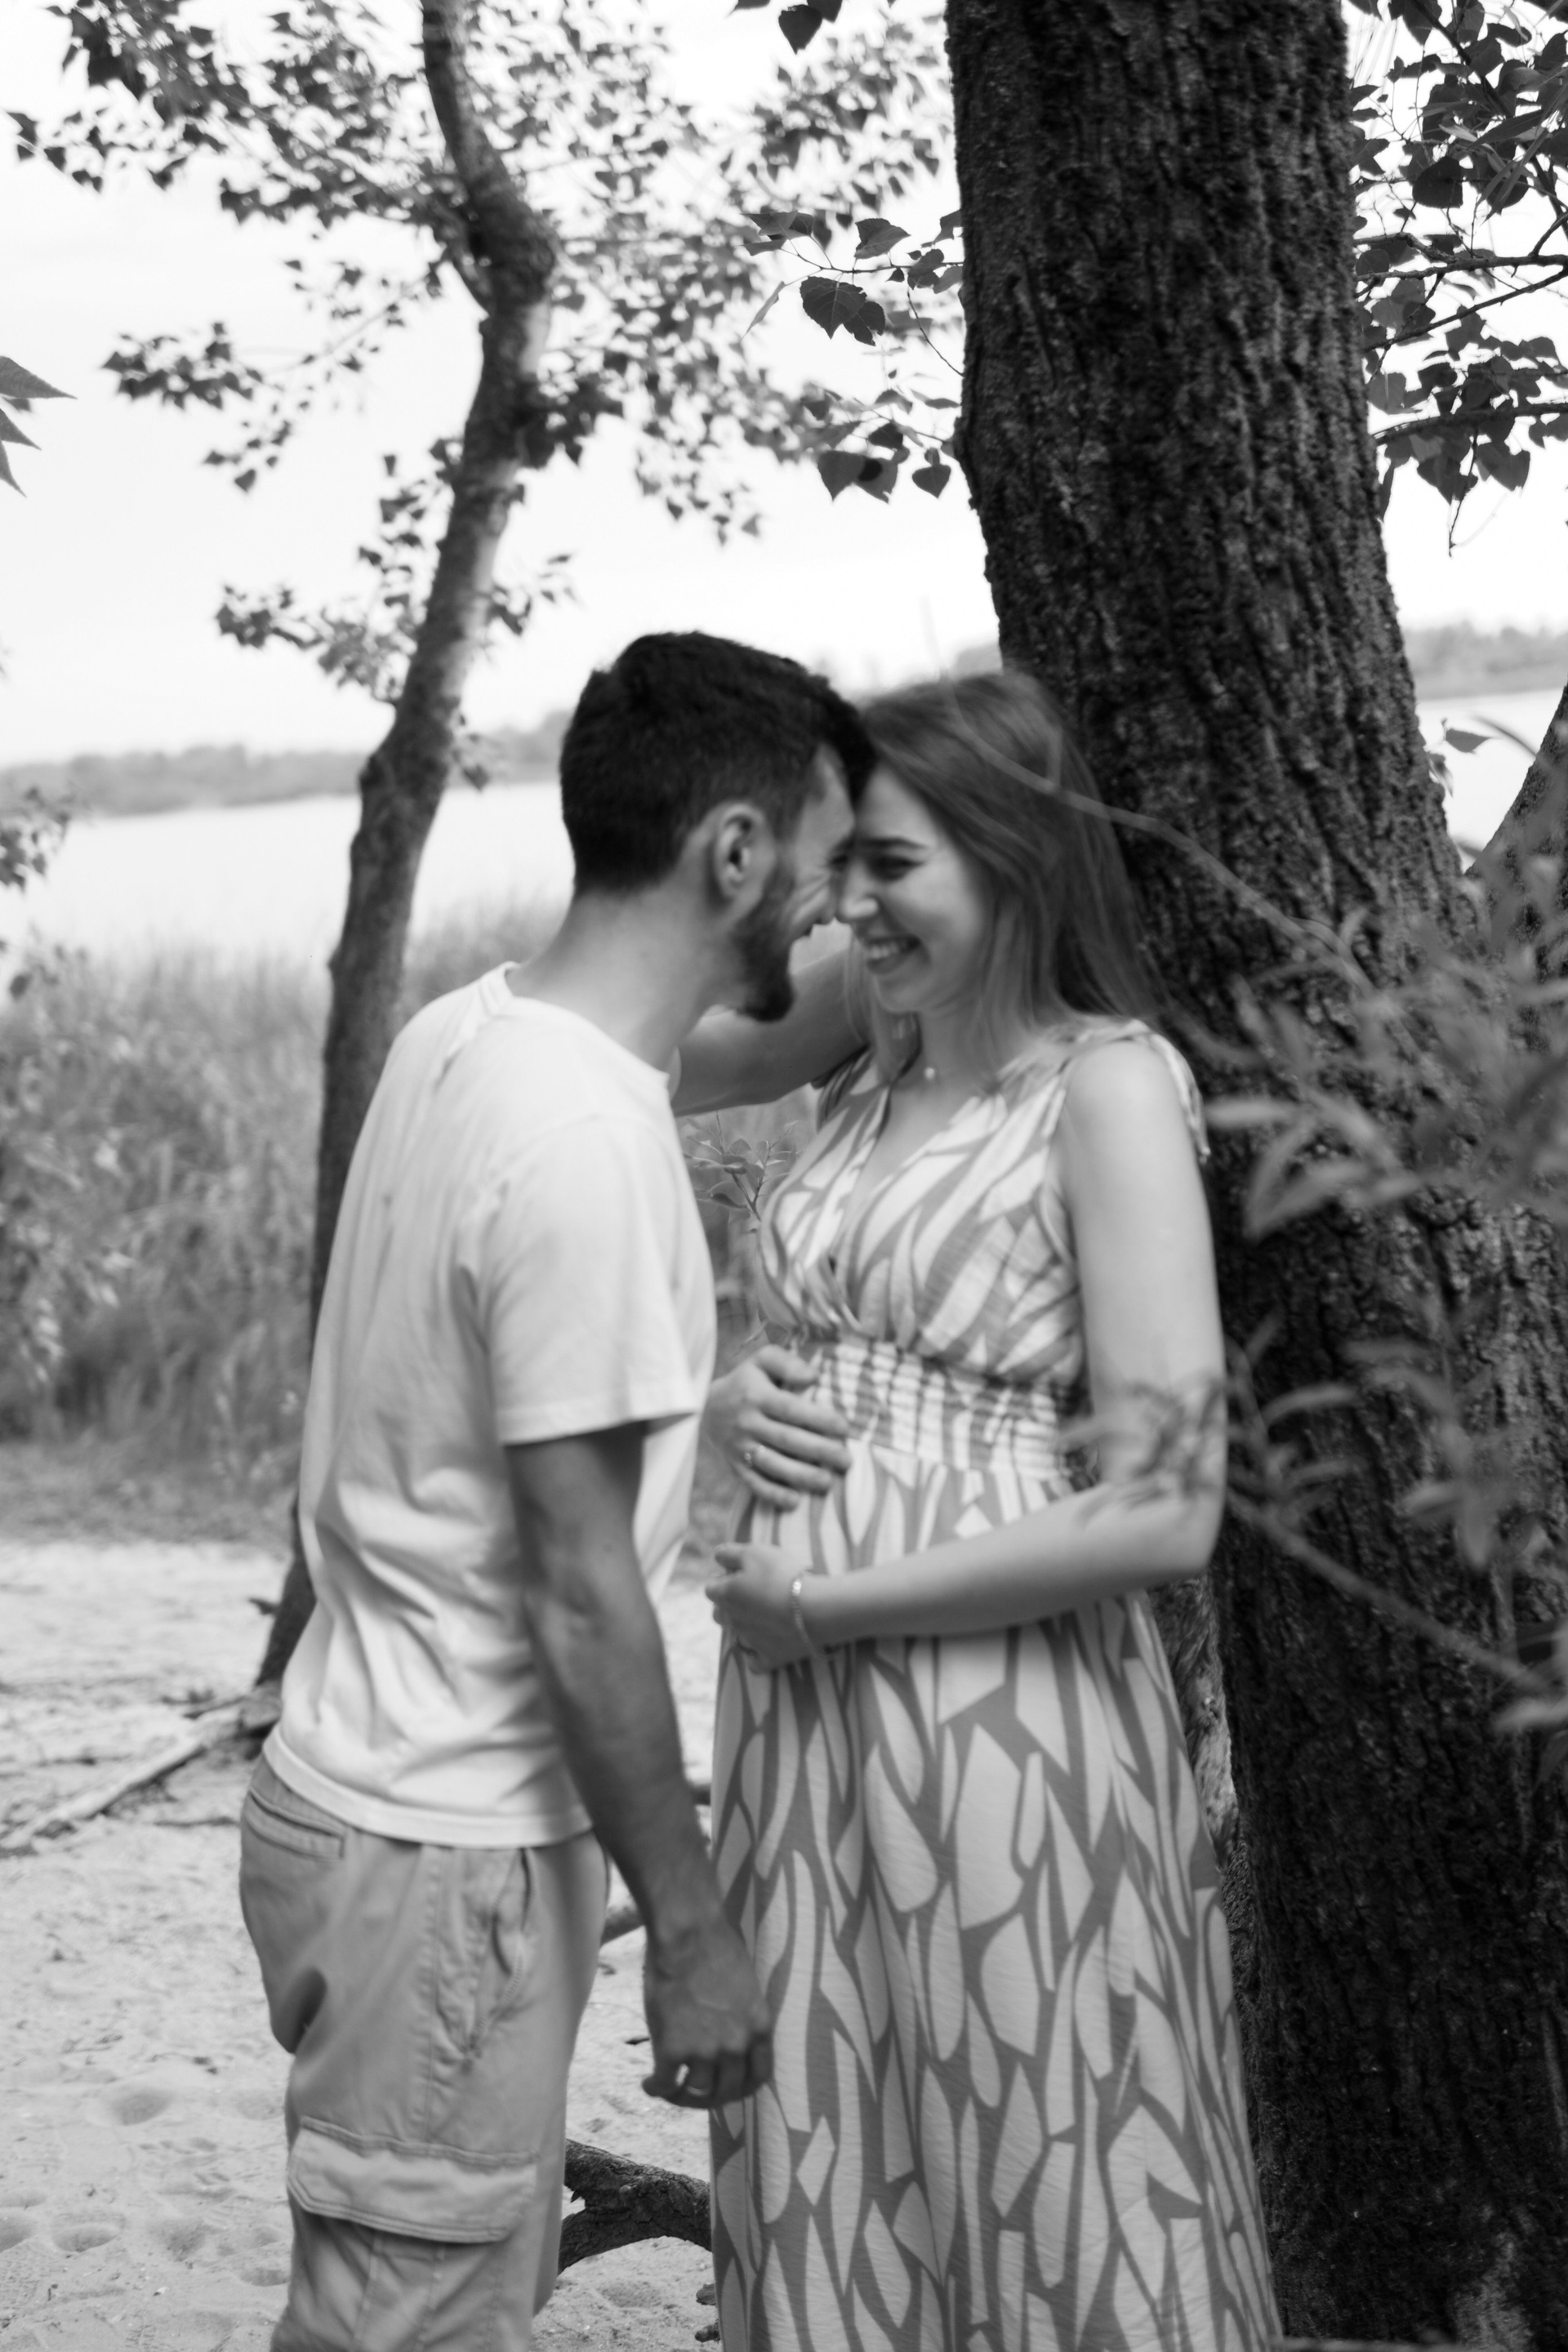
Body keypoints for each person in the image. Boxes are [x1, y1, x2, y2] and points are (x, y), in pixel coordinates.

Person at [238, 632, 871, 2352]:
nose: (838, 911)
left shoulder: (477, 1032)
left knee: (401, 2307)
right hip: (443, 1856)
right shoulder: (587, 1145)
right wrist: (693, 1926)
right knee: (406, 2327)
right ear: (732, 853)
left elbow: (427, 1404)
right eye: (829, 868)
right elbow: (582, 1595)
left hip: (343, 1788)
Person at [685, 671, 1280, 2351]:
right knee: (837, 2156)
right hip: (798, 1727)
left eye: (892, 865)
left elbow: (1168, 1508)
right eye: (839, 867)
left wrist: (827, 1609)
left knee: (1050, 2156)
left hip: (995, 1723)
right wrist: (731, 1393)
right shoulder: (872, 1067)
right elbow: (623, 1054)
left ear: (1014, 855)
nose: (850, 905)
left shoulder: (1104, 1087)